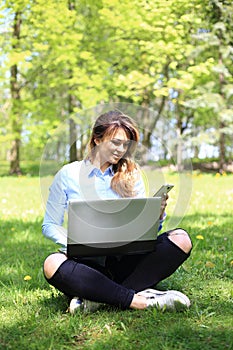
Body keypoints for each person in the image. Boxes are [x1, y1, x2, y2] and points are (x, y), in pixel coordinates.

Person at [42, 110, 192, 313]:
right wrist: (74, 244)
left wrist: (156, 215)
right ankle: (140, 299)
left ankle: (99, 297)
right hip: (89, 266)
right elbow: (49, 224)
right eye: (115, 142)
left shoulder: (132, 175)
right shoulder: (68, 174)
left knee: (181, 239)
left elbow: (144, 234)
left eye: (126, 144)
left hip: (126, 260)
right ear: (97, 139)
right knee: (52, 263)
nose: (121, 149)